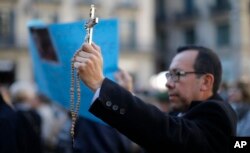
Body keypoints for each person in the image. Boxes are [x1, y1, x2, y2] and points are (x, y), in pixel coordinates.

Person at [73, 43, 237, 153]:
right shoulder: (180, 114)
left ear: (205, 82)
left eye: (177, 75)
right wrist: (128, 95)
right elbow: (154, 131)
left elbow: (168, 134)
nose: (168, 84)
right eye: (169, 75)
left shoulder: (217, 113)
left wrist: (100, 84)